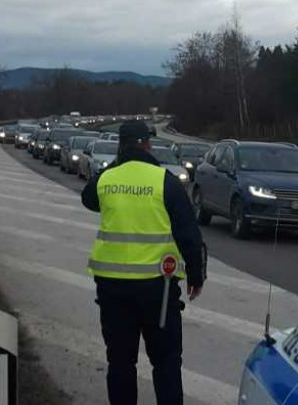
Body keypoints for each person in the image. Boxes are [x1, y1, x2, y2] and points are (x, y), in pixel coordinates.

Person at [81, 120, 205, 405]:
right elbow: (189, 234)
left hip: (112, 289)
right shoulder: (165, 181)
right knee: (166, 362)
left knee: (121, 362)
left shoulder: (107, 178)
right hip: (157, 289)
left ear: (120, 145)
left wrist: (117, 164)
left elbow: (89, 199)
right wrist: (196, 277)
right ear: (148, 143)